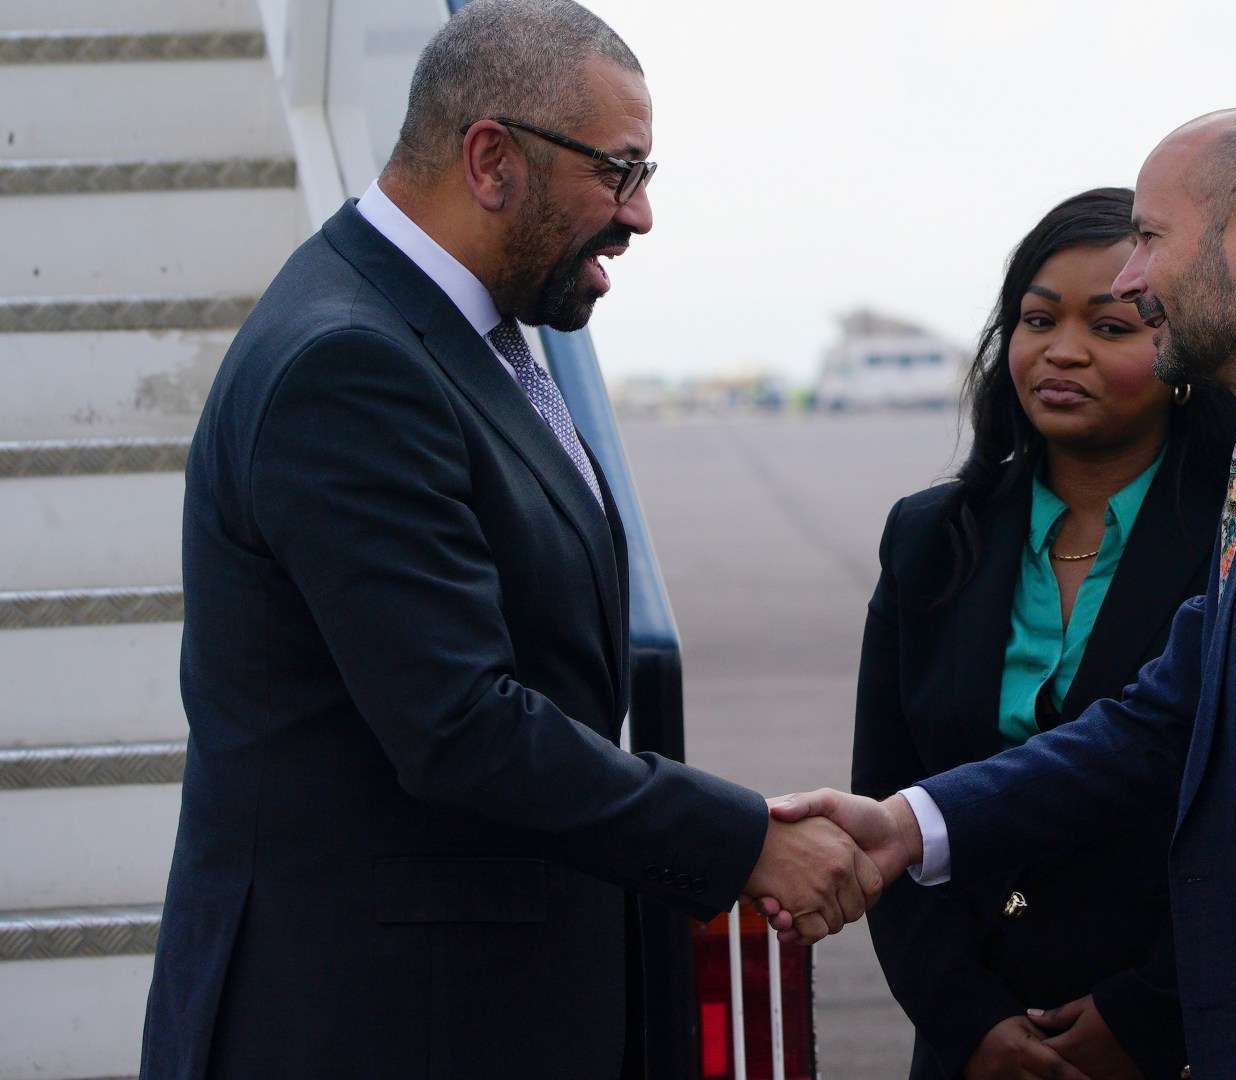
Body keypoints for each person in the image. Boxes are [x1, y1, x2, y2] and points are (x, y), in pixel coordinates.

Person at [142, 3, 878, 1076]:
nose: (643, 216)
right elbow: (458, 725)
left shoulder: (457, 338)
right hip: (379, 1024)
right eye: (620, 173)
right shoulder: (350, 365)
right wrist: (743, 841)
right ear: (492, 160)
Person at [770, 104, 1236, 1078]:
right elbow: (1159, 718)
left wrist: (1150, 1016)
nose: (1138, 279)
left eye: (1148, 244)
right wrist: (908, 839)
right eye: (1038, 319)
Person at [854, 187, 1236, 1079]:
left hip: (1170, 1042)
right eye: (1037, 319)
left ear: (1179, 349)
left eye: (1113, 328)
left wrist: (1146, 1016)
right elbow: (887, 797)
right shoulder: (930, 537)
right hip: (974, 1047)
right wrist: (971, 1022)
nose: (1061, 351)